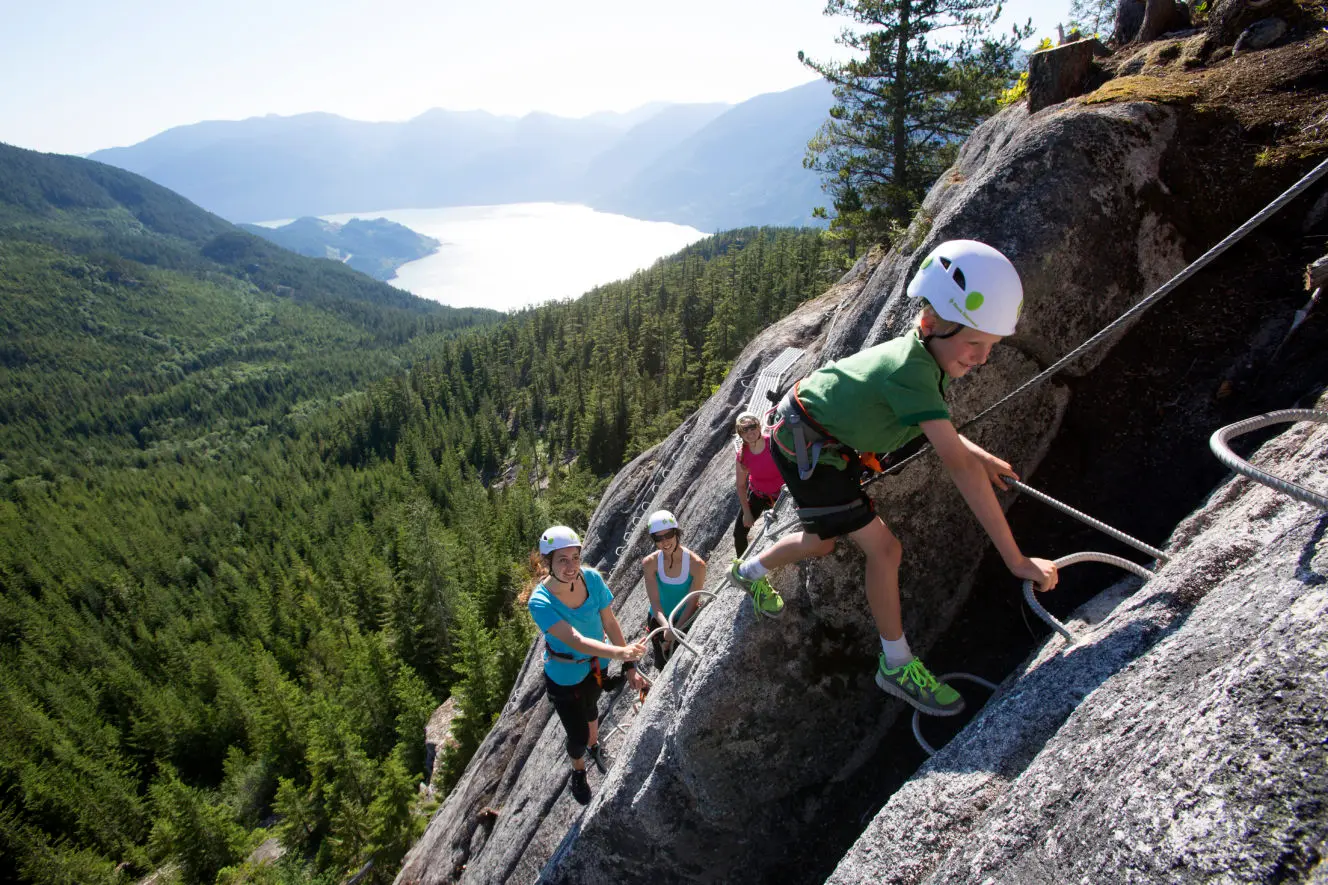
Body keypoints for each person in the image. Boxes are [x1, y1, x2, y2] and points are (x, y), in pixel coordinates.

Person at [728, 240, 1059, 717]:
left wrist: (982, 456)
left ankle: (748, 570)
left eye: (991, 346)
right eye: (976, 343)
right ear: (933, 323)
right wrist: (1017, 559)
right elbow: (954, 463)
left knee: (822, 542)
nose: (983, 358)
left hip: (817, 435)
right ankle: (896, 665)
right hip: (809, 445)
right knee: (885, 550)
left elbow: (939, 432)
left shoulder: (927, 355)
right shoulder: (913, 370)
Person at [525, 525, 649, 805]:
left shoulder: (591, 579)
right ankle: (578, 769)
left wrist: (629, 664)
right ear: (549, 563)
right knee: (577, 734)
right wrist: (622, 652)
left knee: (592, 707)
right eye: (562, 560)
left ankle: (595, 746)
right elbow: (576, 640)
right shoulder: (540, 602)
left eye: (575, 558)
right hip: (564, 675)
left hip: (596, 665)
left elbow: (609, 621)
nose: (571, 567)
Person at [641, 510, 708, 667]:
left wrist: (674, 630)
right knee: (661, 663)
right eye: (658, 538)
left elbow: (692, 603)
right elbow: (655, 602)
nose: (665, 542)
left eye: (669, 535)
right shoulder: (650, 563)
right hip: (659, 620)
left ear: (676, 533)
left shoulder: (696, 565)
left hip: (685, 619)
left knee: (684, 664)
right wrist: (667, 627)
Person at [733, 411, 784, 555]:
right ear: (740, 434)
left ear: (759, 426)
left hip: (782, 494)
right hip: (757, 495)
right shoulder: (742, 455)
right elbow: (741, 485)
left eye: (752, 426)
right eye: (745, 429)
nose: (750, 432)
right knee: (739, 533)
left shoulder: (774, 443)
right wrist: (747, 512)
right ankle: (741, 567)